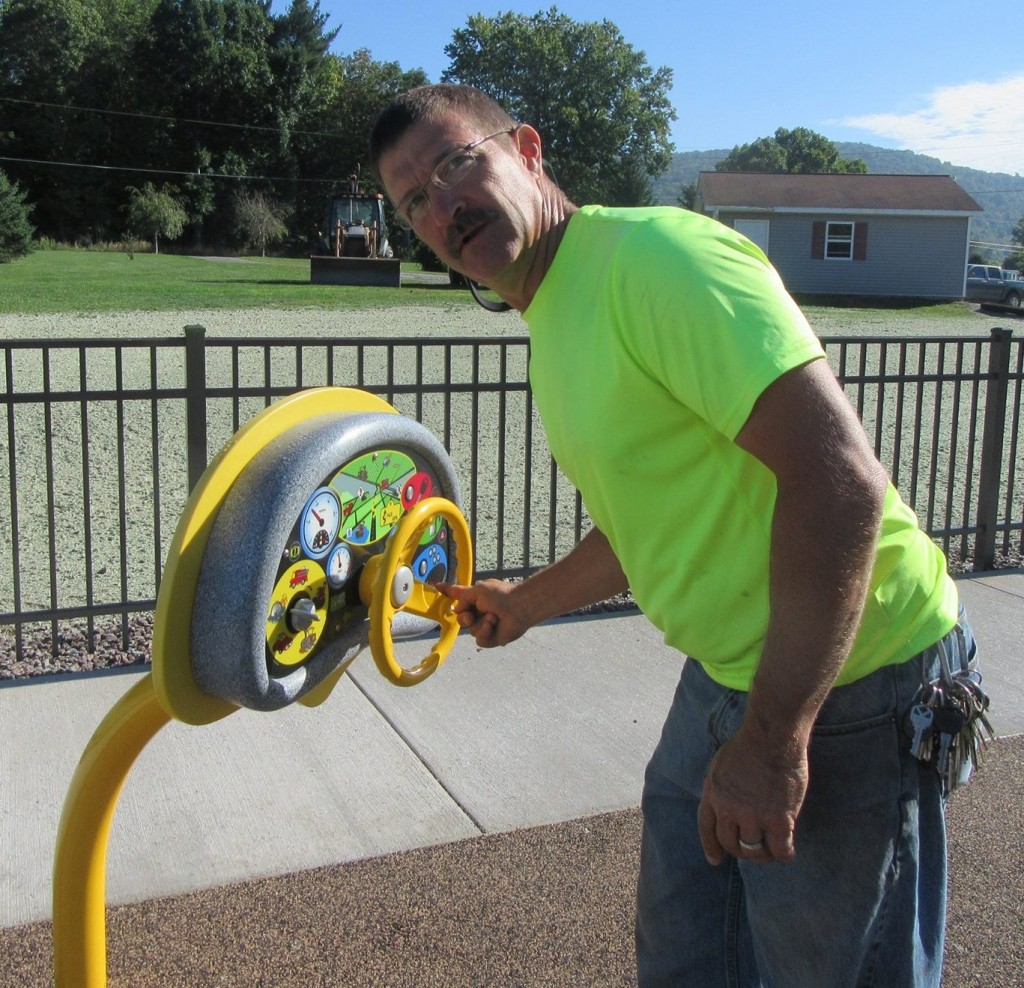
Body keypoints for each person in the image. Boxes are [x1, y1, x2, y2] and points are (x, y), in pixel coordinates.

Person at [368, 84, 978, 988]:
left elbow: (840, 485)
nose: (443, 207)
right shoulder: (555, 313)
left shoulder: (654, 260)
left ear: (527, 150)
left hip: (853, 680)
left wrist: (773, 742)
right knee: (688, 957)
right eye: (414, 200)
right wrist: (523, 604)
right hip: (726, 676)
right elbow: (647, 520)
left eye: (455, 165)